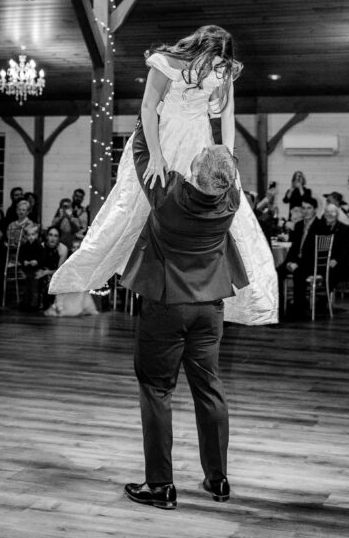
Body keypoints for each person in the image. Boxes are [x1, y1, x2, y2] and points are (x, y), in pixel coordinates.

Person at [48, 25, 278, 326]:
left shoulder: (224, 70)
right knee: (139, 206)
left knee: (216, 207)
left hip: (199, 139)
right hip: (165, 135)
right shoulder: (165, 62)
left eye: (221, 63)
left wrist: (227, 158)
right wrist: (155, 155)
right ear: (199, 48)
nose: (216, 67)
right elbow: (147, 107)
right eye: (212, 60)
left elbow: (227, 114)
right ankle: (133, 272)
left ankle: (227, 288)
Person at [123, 122, 247, 510]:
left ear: (194, 174)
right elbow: (230, 164)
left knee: (157, 389)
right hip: (210, 308)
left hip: (166, 306)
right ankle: (218, 480)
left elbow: (141, 152)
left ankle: (160, 486)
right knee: (208, 388)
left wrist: (149, 114)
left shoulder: (167, 195)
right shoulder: (232, 200)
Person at [280, 195, 320, 318]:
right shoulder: (298, 226)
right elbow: (293, 248)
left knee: (299, 274)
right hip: (296, 261)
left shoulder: (321, 226)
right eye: (303, 208)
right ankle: (280, 308)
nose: (305, 211)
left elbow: (315, 253)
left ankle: (298, 309)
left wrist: (297, 264)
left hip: (312, 263)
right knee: (276, 273)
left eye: (309, 208)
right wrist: (288, 262)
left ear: (315, 209)